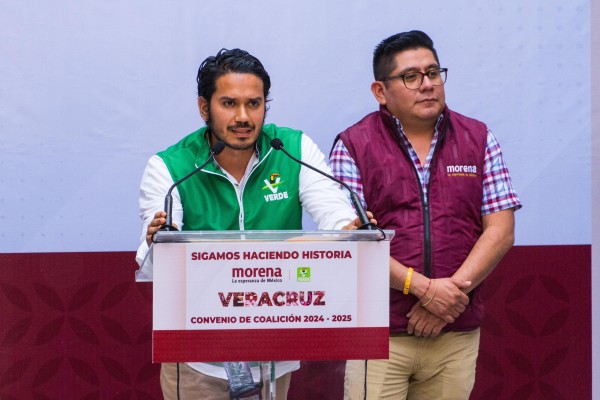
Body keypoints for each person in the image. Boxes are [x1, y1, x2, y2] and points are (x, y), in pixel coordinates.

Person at [135, 48, 370, 400]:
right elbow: (156, 264)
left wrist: (351, 231)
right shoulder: (170, 168)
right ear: (204, 108)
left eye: (254, 104)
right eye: (229, 104)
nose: (243, 117)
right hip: (200, 358)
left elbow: (336, 219)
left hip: (275, 353)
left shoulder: (292, 149)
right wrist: (158, 243)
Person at [329, 30, 522, 399]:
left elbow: (501, 231)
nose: (428, 84)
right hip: (380, 334)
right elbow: (352, 241)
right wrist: (424, 289)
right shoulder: (353, 145)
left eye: (433, 73)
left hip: (455, 332)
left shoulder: (478, 138)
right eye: (411, 77)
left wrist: (446, 301)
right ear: (380, 91)